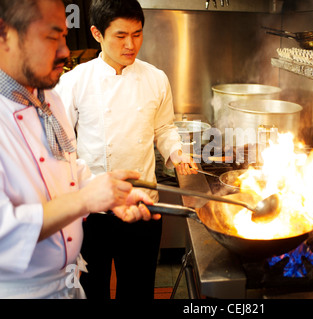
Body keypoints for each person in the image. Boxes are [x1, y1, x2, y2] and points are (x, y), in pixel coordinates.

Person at [0, 0, 158, 299]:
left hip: (68, 284)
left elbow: (70, 169)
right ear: (4, 35)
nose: (64, 50)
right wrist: (86, 199)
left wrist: (110, 194)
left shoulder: (48, 100)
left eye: (63, 36)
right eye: (51, 36)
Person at [56, 0, 198, 300]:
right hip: (92, 210)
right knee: (92, 290)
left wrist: (177, 153)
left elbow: (164, 129)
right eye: (121, 36)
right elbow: (62, 146)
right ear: (97, 34)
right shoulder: (74, 82)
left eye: (137, 34)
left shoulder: (156, 78)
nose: (131, 44)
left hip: (143, 204)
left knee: (138, 289)